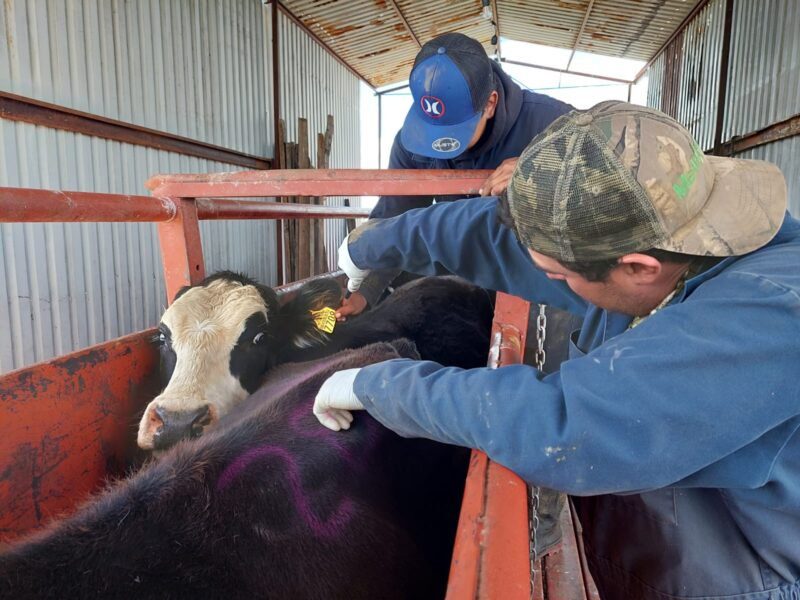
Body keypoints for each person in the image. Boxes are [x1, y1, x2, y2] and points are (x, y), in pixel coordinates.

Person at [313, 101, 800, 599]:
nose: (548, 282)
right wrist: (372, 246)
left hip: (750, 578)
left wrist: (380, 385)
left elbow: (572, 426)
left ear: (637, 268)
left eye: (558, 277)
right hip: (668, 548)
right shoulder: (671, 236)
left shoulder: (773, 316)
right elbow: (499, 241)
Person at [337, 31, 573, 319]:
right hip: (463, 283)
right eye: (433, 130)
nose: (440, 148)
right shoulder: (413, 143)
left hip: (538, 284)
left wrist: (544, 165)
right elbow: (394, 218)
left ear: (490, 103)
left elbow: (620, 172)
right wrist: (366, 292)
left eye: (454, 131)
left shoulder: (553, 124)